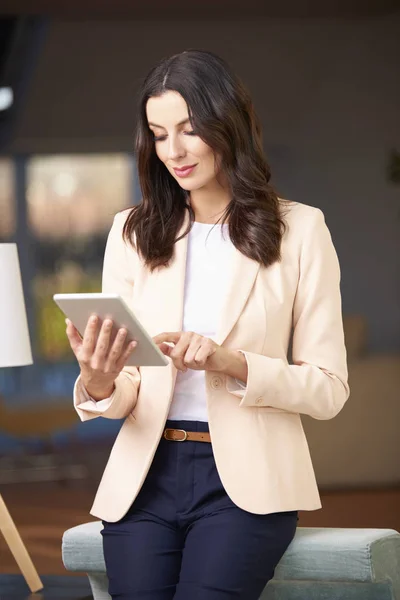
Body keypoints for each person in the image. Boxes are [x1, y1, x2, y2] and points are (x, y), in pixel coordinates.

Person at [66, 49, 349, 600]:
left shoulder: (300, 230)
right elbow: (125, 391)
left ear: (228, 123)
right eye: (158, 133)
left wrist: (232, 363)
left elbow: (329, 389)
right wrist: (99, 380)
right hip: (145, 477)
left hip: (244, 486)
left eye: (189, 130)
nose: (173, 151)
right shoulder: (130, 232)